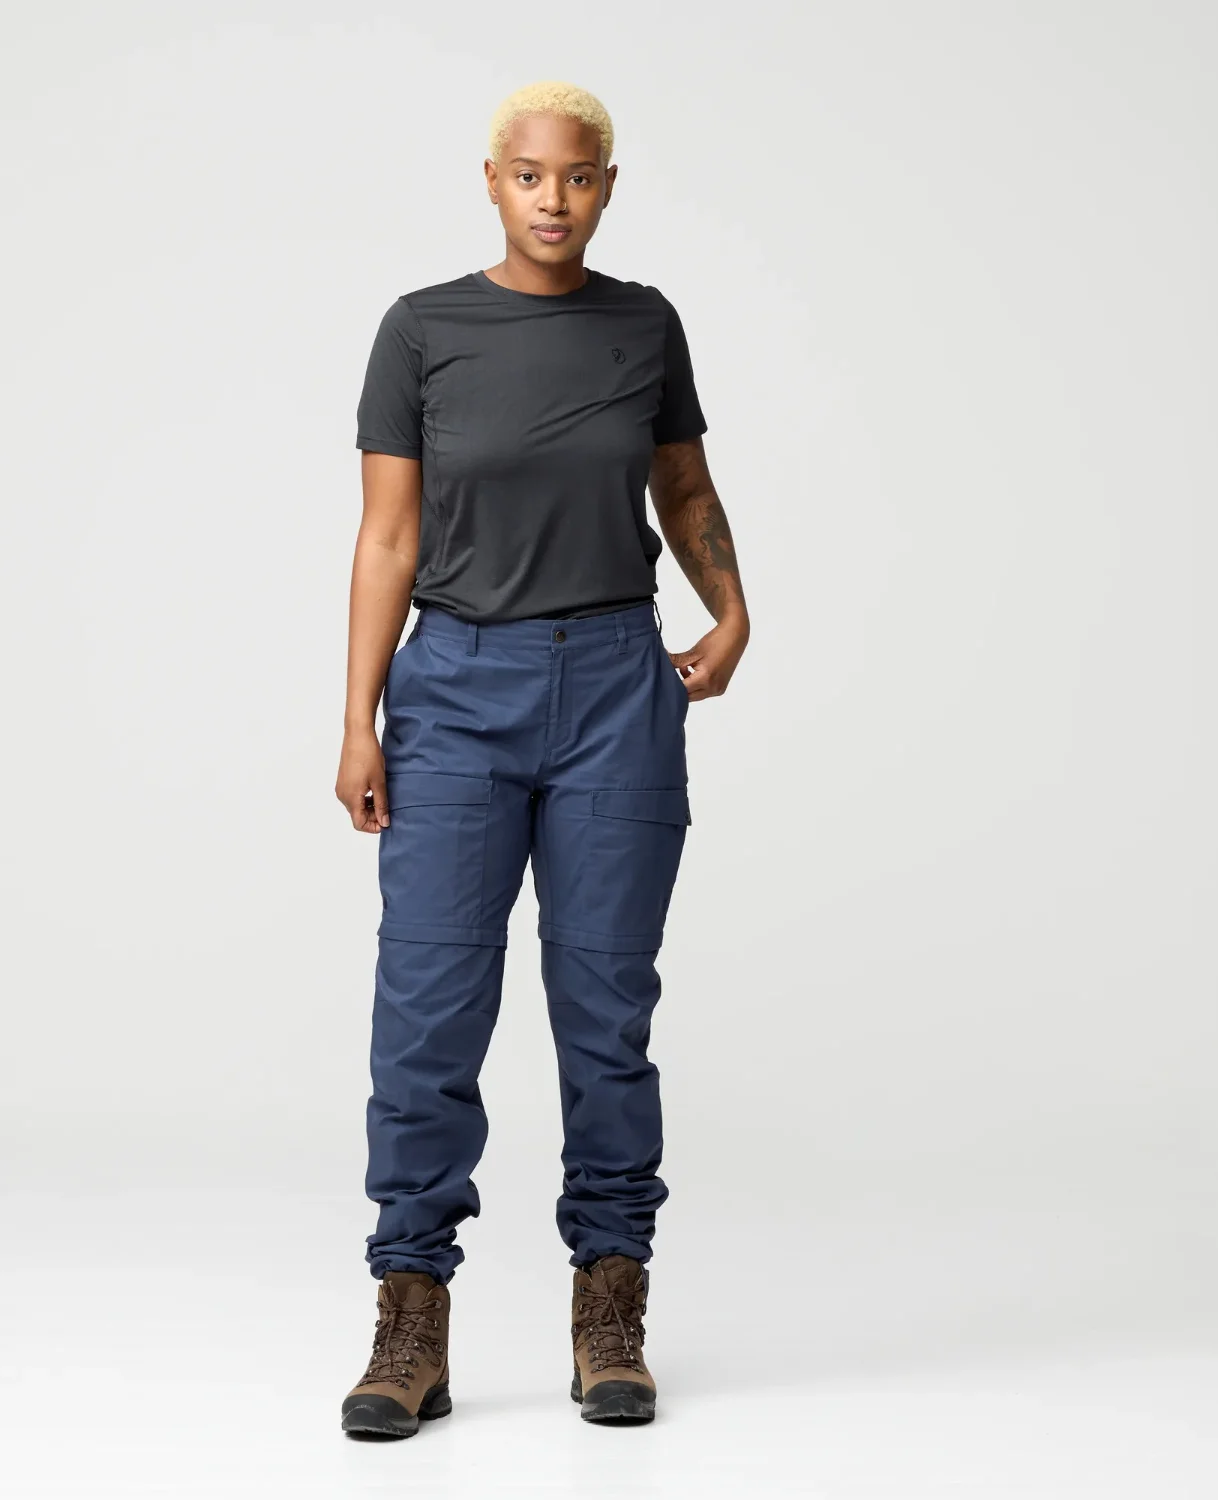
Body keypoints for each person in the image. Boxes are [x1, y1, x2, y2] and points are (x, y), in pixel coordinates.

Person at [335, 79, 749, 1438]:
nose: (552, 199)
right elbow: (389, 535)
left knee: (606, 1009)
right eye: (529, 175)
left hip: (615, 686)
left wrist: (732, 607)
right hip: (454, 688)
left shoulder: (645, 325)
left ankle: (609, 1310)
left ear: (606, 187)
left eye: (577, 177)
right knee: (427, 1011)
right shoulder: (423, 330)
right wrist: (359, 718)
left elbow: (681, 486)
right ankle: (410, 1321)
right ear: (493, 182)